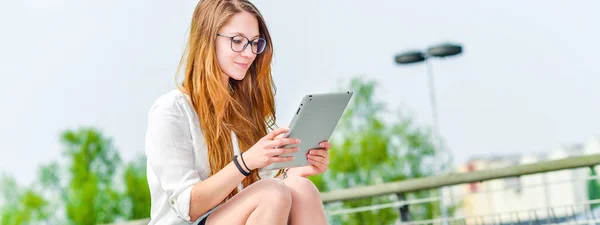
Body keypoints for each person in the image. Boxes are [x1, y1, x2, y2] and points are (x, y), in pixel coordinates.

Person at [144, 0, 332, 224]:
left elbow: (258, 188)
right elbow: (189, 207)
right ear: (207, 39)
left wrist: (294, 171)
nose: (249, 53)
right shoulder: (171, 111)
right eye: (237, 41)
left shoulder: (244, 110)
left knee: (301, 189)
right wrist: (245, 162)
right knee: (272, 193)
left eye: (254, 43)